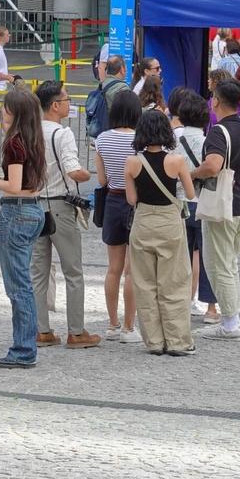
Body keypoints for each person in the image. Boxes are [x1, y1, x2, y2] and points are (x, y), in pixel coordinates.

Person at [0, 87, 48, 368]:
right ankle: (25, 344)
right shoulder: (33, 138)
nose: (1, 112)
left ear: (14, 112)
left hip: (17, 212)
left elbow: (15, 186)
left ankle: (23, 349)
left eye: (5, 108)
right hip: (33, 209)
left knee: (18, 286)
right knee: (23, 282)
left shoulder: (14, 143)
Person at [31, 82, 99, 350]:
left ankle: (42, 330)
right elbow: (73, 169)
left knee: (38, 271)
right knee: (73, 270)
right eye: (67, 99)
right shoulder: (63, 134)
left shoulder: (30, 131)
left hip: (36, 204)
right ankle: (76, 330)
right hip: (60, 205)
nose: (70, 104)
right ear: (55, 105)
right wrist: (87, 174)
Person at [123, 110, 197, 355]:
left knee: (145, 283)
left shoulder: (132, 162)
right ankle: (177, 341)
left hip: (143, 221)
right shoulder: (176, 161)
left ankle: (154, 341)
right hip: (169, 221)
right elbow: (189, 193)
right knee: (174, 283)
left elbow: (132, 198)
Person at [188, 78, 240, 341]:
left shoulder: (218, 131)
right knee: (231, 264)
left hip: (223, 206)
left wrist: (193, 173)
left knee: (219, 266)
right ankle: (232, 316)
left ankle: (230, 322)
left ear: (215, 100)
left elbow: (213, 165)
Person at [95, 90, 143, 343]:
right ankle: (128, 327)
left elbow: (102, 180)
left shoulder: (102, 139)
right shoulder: (141, 140)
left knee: (113, 268)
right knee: (131, 271)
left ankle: (112, 325)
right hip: (136, 204)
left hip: (113, 200)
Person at [171, 92, 214, 321]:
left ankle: (182, 302)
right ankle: (211, 308)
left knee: (181, 258)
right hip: (204, 202)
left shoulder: (172, 140)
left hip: (179, 203)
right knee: (208, 257)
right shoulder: (209, 141)